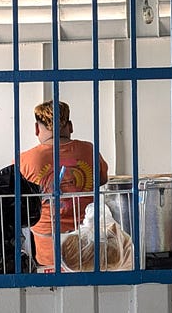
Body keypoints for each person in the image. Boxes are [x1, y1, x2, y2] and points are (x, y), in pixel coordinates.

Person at [20, 100, 108, 269]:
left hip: (48, 250)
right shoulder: (89, 150)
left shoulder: (24, 160)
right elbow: (102, 180)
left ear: (37, 129)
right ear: (71, 126)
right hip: (88, 247)